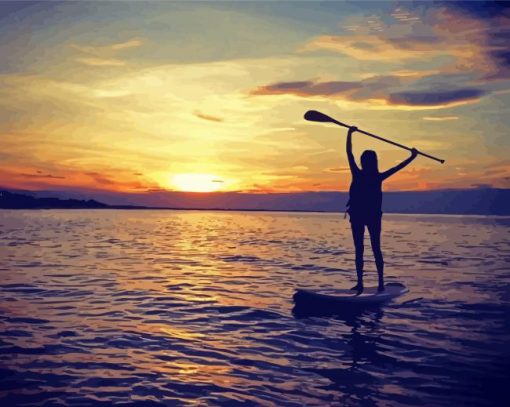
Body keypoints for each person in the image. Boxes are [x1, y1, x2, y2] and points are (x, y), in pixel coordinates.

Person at [346, 126, 418, 294]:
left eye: (365, 160)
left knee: (367, 249)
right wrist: (412, 157)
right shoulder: (374, 176)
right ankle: (369, 283)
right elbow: (398, 166)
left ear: (367, 162)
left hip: (367, 216)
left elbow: (349, 153)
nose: (363, 162)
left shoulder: (366, 175)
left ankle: (373, 283)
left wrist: (349, 134)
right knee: (368, 248)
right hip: (362, 216)